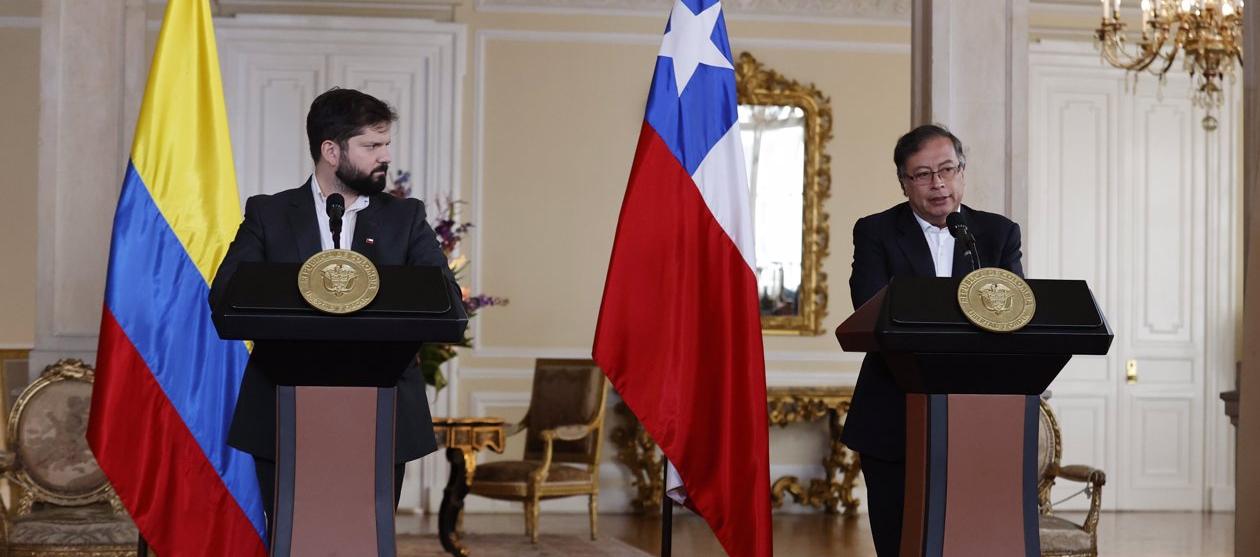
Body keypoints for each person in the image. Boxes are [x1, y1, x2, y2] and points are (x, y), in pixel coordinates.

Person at [208, 87, 463, 529]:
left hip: (383, 409)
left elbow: (446, 301)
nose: (384, 155)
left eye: (385, 144)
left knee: (367, 534)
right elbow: (226, 295)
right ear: (331, 150)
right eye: (371, 146)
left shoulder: (406, 219)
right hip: (281, 407)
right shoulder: (269, 214)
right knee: (291, 534)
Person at [843, 124, 1024, 556]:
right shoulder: (876, 231)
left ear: (962, 171)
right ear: (905, 183)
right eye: (922, 174)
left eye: (947, 169)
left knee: (972, 541)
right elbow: (871, 308)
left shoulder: (998, 233)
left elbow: (1014, 312)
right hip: (892, 412)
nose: (938, 183)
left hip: (977, 416)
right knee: (898, 539)